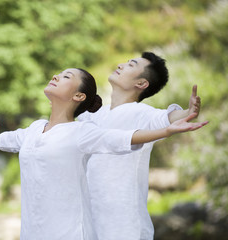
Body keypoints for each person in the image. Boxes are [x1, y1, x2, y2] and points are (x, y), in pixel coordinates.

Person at [0, 68, 207, 240]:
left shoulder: (82, 132)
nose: (56, 76)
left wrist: (166, 130)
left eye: (66, 77)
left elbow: (122, 138)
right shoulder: (34, 128)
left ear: (78, 96)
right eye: (58, 74)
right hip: (33, 232)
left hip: (71, 233)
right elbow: (9, 140)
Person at [77, 52, 202, 240]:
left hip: (124, 224)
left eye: (131, 65)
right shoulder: (93, 115)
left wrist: (188, 112)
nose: (121, 64)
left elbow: (166, 118)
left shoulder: (141, 113)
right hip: (90, 219)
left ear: (142, 83)